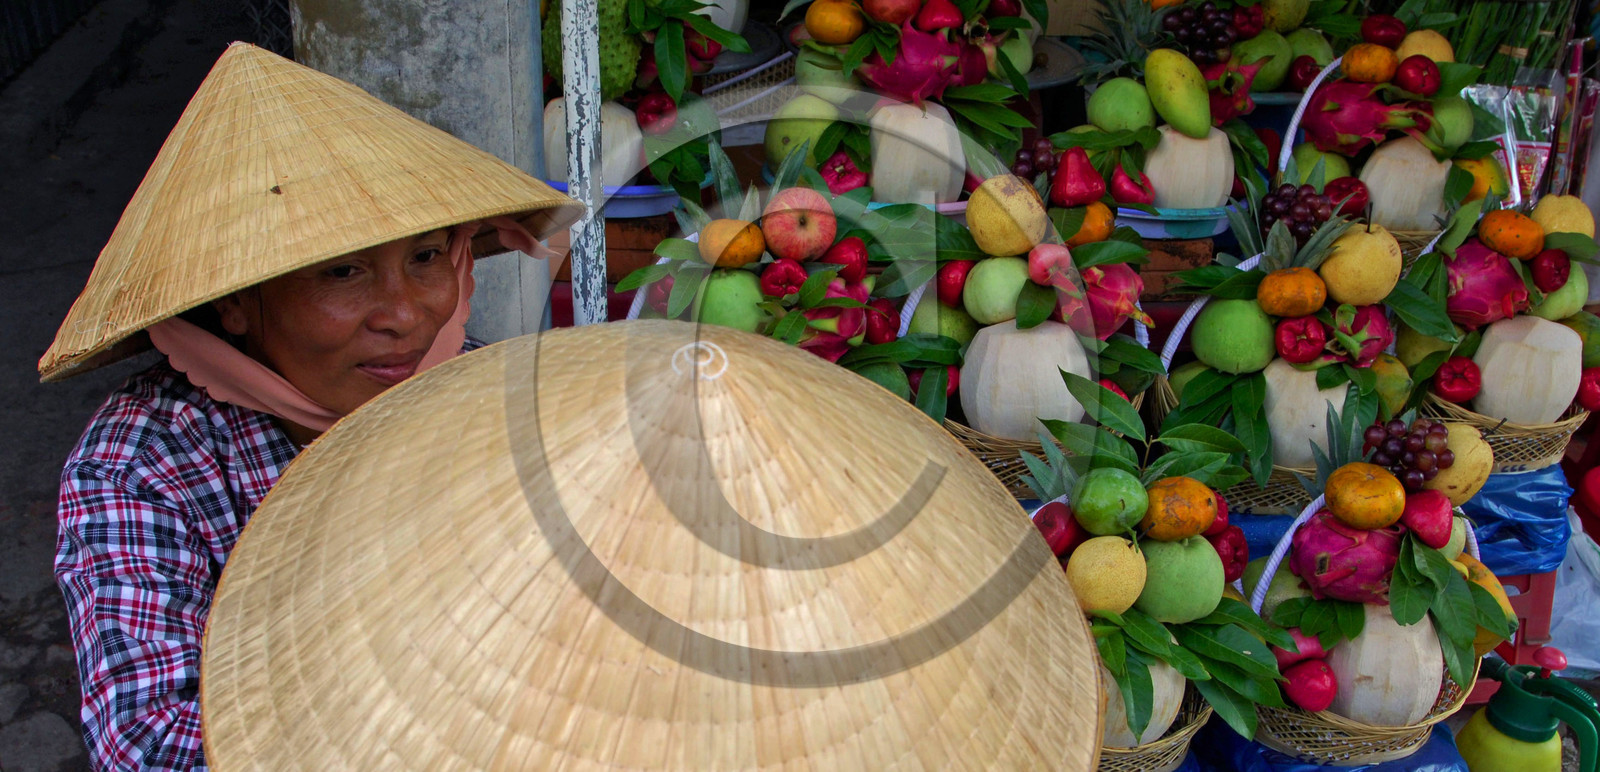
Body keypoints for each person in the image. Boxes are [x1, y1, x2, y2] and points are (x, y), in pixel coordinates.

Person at [41, 43, 581, 770]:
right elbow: (152, 745)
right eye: (344, 272)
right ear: (236, 301)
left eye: (426, 257)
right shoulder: (144, 468)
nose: (405, 316)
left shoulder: (483, 391)